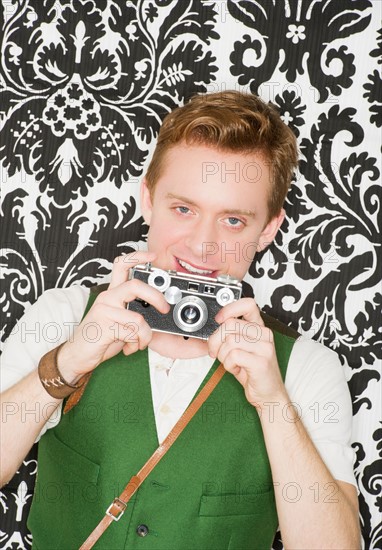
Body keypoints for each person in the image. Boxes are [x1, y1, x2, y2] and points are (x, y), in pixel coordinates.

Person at [0, 91, 360, 549]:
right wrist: (66, 364)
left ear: (267, 229)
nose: (202, 245)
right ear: (148, 199)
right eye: (184, 209)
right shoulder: (63, 315)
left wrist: (273, 404)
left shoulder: (306, 369)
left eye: (232, 220)